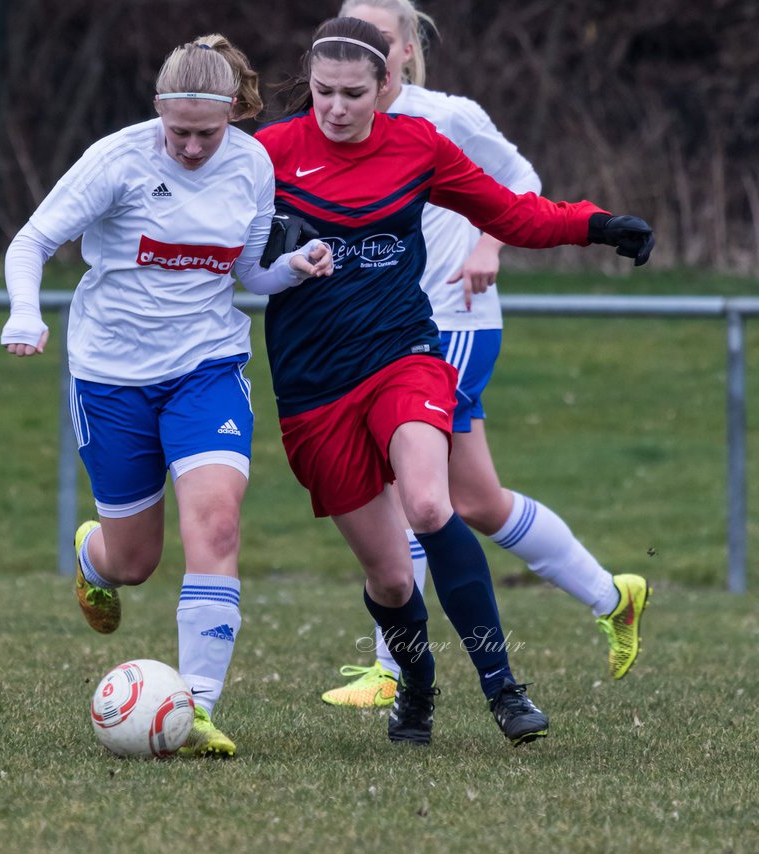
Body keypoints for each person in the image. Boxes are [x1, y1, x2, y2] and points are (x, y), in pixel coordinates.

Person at [253, 17, 654, 745]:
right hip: (313, 389)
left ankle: (505, 689)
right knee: (393, 583)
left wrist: (595, 224)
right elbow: (205, 224)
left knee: (434, 504)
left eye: (352, 94)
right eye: (322, 94)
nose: (336, 109)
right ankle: (417, 685)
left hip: (403, 355)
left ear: (386, 87)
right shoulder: (269, 153)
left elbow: (511, 213)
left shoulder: (420, 144)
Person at [0, 34, 331, 759]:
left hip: (205, 367)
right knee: (136, 562)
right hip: (111, 375)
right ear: (157, 111)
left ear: (232, 119)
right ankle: (95, 558)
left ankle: (198, 706)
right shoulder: (117, 160)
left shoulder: (251, 164)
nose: (188, 146)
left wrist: (295, 267)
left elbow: (248, 272)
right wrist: (26, 313)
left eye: (205, 133)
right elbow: (29, 243)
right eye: (177, 130)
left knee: (215, 526)